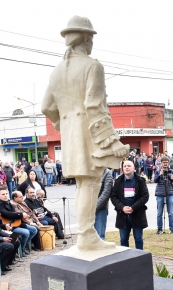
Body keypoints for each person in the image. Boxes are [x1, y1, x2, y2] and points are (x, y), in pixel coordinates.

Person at [42, 16, 129, 250]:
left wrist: (66, 125)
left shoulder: (57, 71)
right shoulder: (93, 66)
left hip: (70, 133)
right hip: (88, 133)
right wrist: (112, 141)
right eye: (91, 38)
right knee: (90, 184)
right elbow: (95, 106)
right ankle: (87, 235)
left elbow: (47, 107)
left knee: (83, 184)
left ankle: (85, 234)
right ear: (87, 38)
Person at [110, 160, 149, 250]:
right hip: (122, 215)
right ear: (122, 168)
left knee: (138, 239)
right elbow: (113, 197)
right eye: (125, 166)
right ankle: (125, 261)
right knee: (123, 239)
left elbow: (145, 196)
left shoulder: (140, 181)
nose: (126, 167)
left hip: (137, 214)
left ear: (134, 168)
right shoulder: (118, 181)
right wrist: (122, 207)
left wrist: (133, 208)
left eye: (129, 166)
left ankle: (139, 260)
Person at [0, 185, 37, 255]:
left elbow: (13, 214)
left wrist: (24, 219)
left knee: (34, 229)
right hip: (6, 227)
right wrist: (21, 214)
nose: (5, 196)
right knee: (26, 232)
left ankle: (22, 247)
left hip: (14, 224)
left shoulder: (9, 203)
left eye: (6, 193)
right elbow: (6, 214)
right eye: (3, 194)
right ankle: (20, 250)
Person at [154, 156, 173, 235]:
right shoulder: (158, 171)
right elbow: (155, 180)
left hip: (169, 193)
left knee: (171, 213)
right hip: (160, 193)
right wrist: (160, 175)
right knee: (159, 213)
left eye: (166, 162)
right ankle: (159, 229)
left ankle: (172, 229)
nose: (165, 164)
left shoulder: (171, 171)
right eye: (164, 162)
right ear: (161, 163)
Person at [94, 168, 113, 240]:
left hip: (101, 209)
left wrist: (95, 207)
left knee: (100, 236)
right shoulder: (88, 169)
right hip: (87, 208)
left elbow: (106, 192)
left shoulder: (107, 172)